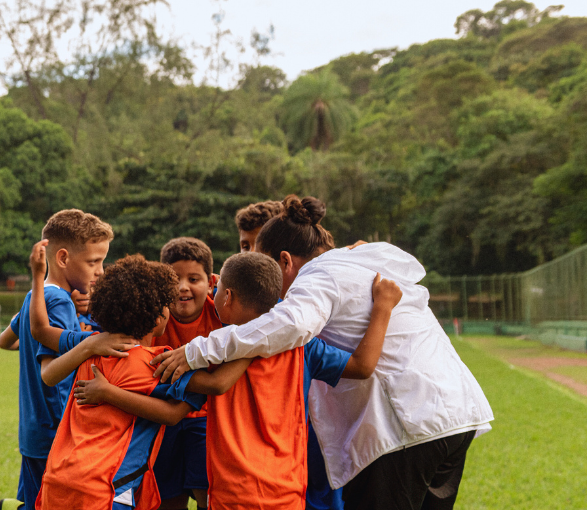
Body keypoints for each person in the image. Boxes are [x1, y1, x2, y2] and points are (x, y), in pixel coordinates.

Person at [155, 196, 494, 510]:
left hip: (408, 427)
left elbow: (288, 325)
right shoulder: (358, 262)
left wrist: (196, 351)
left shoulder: (316, 277)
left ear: (285, 261)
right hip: (455, 415)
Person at [34, 255, 207, 510]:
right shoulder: (157, 365)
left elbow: (48, 371)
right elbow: (179, 409)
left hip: (57, 480)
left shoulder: (91, 350)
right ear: (158, 317)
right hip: (104, 491)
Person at [7, 210, 124, 506]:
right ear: (62, 258)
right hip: (57, 431)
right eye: (93, 262)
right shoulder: (58, 301)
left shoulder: (36, 296)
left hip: (32, 431)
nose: (100, 271)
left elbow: (7, 341)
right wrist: (90, 344)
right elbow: (49, 371)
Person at [150, 237, 221, 510]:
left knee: (207, 497)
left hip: (206, 421)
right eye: (174, 278)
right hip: (160, 417)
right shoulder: (152, 317)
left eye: (193, 278)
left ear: (211, 281)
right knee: (166, 499)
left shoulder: (222, 316)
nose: (183, 287)